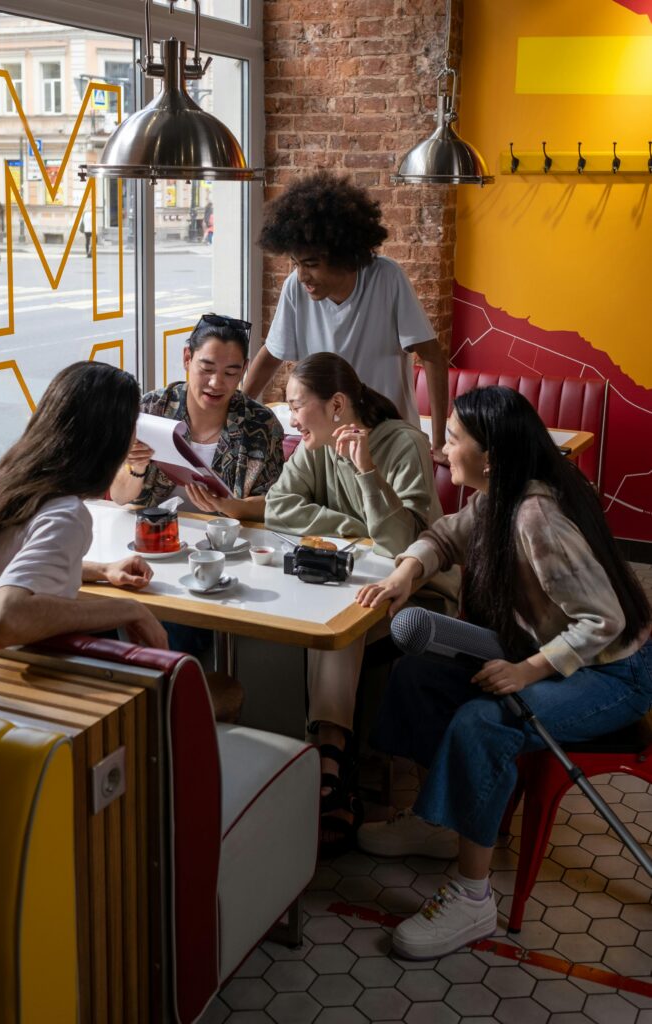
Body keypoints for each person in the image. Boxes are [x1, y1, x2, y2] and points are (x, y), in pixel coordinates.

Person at [355, 385, 652, 960]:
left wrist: (527, 671)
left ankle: (472, 898)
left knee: (483, 719)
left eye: (452, 439)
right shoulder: (497, 496)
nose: (442, 449)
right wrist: (404, 576)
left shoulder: (536, 516)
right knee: (417, 675)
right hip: (556, 650)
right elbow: (444, 536)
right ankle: (440, 821)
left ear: (489, 454)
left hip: (616, 672)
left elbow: (604, 621)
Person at [265, 353, 459, 851]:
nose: (290, 419)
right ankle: (321, 756)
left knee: (338, 625)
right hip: (352, 580)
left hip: (418, 591)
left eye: (296, 405)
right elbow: (277, 507)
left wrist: (367, 473)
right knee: (320, 612)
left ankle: (329, 757)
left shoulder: (403, 443)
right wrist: (353, 529)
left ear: (335, 405)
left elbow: (401, 546)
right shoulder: (316, 445)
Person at [243, 171, 450, 463]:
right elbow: (271, 354)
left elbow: (433, 357)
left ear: (344, 256)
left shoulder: (387, 278)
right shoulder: (295, 287)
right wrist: (237, 412)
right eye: (297, 263)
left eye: (312, 264)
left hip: (390, 440)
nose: (302, 276)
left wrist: (439, 441)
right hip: (326, 443)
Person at [0, 362, 168, 651]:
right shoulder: (66, 515)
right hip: (2, 680)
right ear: (110, 441)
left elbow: (11, 564)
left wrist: (102, 570)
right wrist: (129, 609)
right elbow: (3, 619)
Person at [110, 313, 284, 522]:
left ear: (244, 370)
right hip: (155, 537)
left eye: (230, 373)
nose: (216, 383)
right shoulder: (152, 409)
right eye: (207, 369)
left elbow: (274, 505)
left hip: (230, 542)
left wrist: (228, 505)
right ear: (187, 358)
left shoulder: (261, 423)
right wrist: (136, 467)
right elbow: (119, 497)